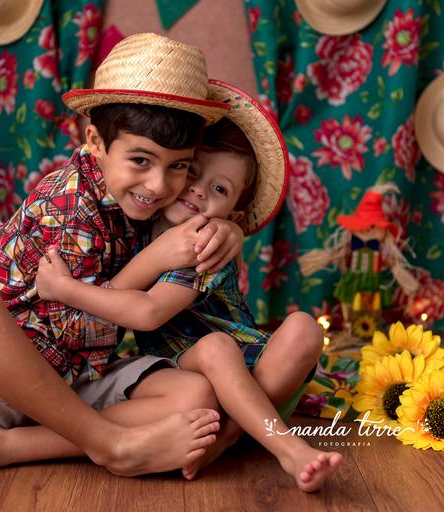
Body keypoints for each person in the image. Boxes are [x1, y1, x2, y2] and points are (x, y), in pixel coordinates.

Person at [0, 34, 245, 480]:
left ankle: (12, 446)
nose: (159, 185)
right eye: (141, 161)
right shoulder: (69, 206)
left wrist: (230, 228)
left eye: (178, 165)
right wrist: (153, 260)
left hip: (81, 378)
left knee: (197, 398)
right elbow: (74, 330)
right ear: (95, 141)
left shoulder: (147, 203)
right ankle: (111, 443)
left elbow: (201, 207)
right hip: (14, 377)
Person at [34, 81, 343, 492]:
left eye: (219, 189)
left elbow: (148, 312)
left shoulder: (202, 241)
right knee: (212, 355)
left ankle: (267, 444)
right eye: (192, 172)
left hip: (257, 373)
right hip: (174, 373)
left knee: (298, 328)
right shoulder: (136, 220)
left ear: (235, 208)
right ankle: (233, 434)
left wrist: (64, 289)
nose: (197, 189)